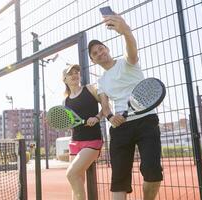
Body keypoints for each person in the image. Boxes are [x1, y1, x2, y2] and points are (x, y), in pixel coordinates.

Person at [88, 13, 163, 200]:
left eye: (100, 49)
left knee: (152, 172)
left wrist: (126, 31)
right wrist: (110, 117)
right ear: (93, 60)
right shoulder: (102, 82)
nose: (99, 53)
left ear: (107, 48)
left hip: (147, 121)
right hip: (120, 128)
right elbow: (105, 107)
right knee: (119, 178)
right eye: (95, 53)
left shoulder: (128, 62)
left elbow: (132, 49)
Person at [62, 64, 103, 200]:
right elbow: (68, 123)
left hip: (92, 141)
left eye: (76, 72)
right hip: (75, 142)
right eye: (70, 74)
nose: (74, 75)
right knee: (77, 181)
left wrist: (97, 117)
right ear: (65, 79)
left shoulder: (90, 89)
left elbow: (106, 106)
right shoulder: (65, 101)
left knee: (71, 174)